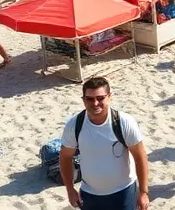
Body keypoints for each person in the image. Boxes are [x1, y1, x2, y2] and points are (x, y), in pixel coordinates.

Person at [59, 76, 150, 210]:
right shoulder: (74, 125)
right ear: (83, 100)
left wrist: (143, 192)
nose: (95, 103)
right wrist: (70, 189)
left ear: (109, 97)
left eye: (100, 98)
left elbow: (140, 156)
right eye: (89, 99)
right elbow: (65, 157)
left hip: (124, 192)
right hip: (90, 195)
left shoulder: (124, 122)